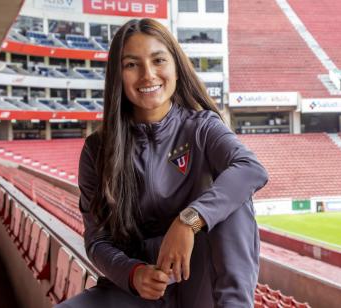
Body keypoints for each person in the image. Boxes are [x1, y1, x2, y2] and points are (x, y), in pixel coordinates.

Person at [57, 18, 268, 308]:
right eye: (132, 65)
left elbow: (251, 169)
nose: (148, 75)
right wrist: (134, 274)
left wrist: (189, 220)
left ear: (176, 69)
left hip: (200, 286)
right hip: (139, 291)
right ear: (118, 75)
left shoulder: (202, 128)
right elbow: (97, 241)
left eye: (158, 60)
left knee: (233, 193)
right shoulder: (97, 149)